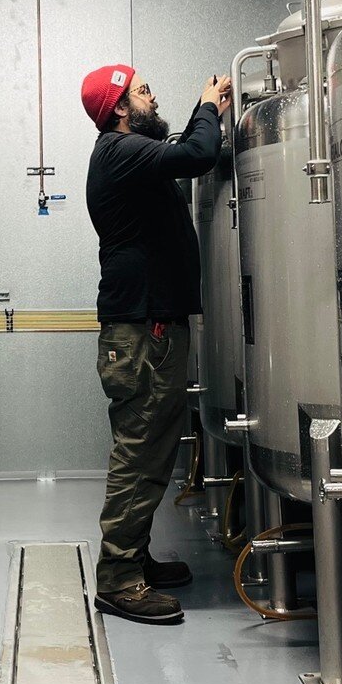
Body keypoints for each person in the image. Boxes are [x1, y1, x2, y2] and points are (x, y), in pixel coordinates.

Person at [80, 63, 233, 624]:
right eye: (142, 90)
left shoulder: (132, 156)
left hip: (154, 326)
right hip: (144, 331)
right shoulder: (120, 153)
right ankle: (118, 580)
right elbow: (195, 156)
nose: (151, 94)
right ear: (121, 108)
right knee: (139, 452)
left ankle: (134, 558)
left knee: (151, 450)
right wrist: (209, 105)